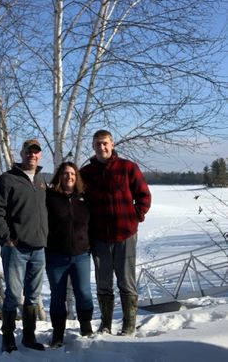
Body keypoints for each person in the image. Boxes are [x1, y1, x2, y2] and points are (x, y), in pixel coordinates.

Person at [80, 129, 151, 336]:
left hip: (125, 235)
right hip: (99, 237)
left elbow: (144, 196)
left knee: (126, 282)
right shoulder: (86, 173)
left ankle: (129, 325)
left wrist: (134, 215)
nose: (102, 147)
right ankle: (106, 324)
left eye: (105, 143)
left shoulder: (127, 168)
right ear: (93, 147)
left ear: (112, 144)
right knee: (103, 284)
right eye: (97, 144)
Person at [0, 139, 48, 353]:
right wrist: (7, 237)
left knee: (33, 295)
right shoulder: (8, 179)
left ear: (40, 155)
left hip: (39, 248)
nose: (32, 155)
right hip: (16, 249)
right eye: (28, 151)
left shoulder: (41, 180)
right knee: (13, 295)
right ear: (21, 153)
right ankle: (8, 338)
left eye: (36, 152)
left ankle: (29, 337)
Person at [45, 162, 94, 348]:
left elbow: (93, 222)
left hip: (81, 255)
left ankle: (86, 327)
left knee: (84, 293)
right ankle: (58, 333)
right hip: (56, 256)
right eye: (65, 173)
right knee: (57, 296)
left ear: (77, 177)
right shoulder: (49, 197)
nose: (69, 177)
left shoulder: (84, 198)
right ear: (59, 176)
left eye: (72, 174)